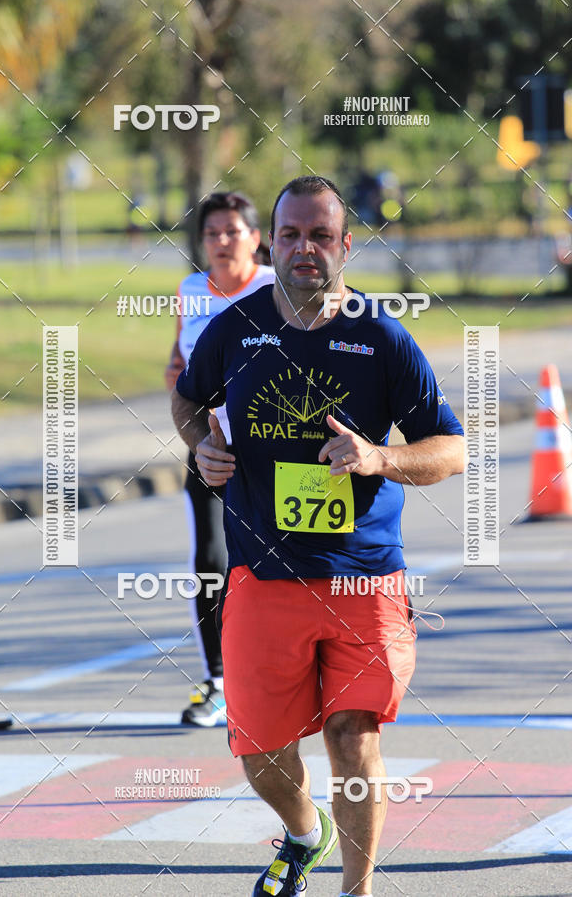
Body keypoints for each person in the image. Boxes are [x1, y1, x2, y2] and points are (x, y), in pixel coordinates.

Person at [172, 176, 465, 896]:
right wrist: (199, 446)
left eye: (322, 235)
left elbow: (451, 448)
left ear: (346, 245)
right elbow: (187, 398)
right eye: (293, 234)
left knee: (353, 737)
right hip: (263, 576)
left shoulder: (380, 338)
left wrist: (381, 457)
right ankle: (306, 830)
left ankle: (355, 890)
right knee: (261, 752)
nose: (306, 248)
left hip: (362, 576)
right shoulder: (235, 329)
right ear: (272, 242)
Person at [165, 191, 274, 726]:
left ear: (256, 238)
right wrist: (194, 430)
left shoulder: (276, 287)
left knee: (275, 562)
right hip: (210, 448)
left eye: (233, 231)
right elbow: (177, 364)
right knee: (211, 561)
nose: (223, 241)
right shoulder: (191, 289)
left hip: (274, 450)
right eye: (212, 233)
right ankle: (218, 682)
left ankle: (281, 675)